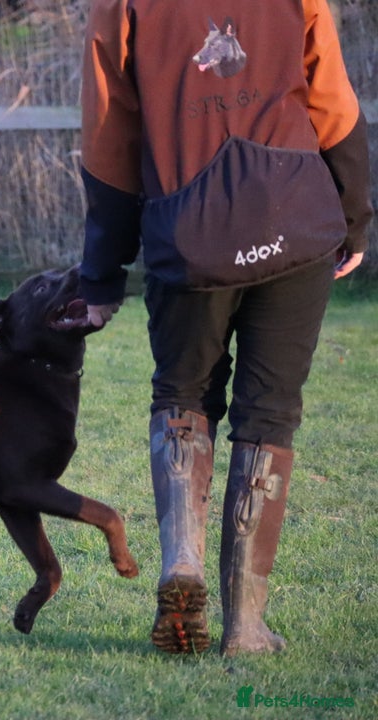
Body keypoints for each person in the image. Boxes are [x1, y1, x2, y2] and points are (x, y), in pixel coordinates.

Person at [78, 0, 373, 656]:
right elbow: (332, 101)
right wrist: (353, 214)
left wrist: (102, 275)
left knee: (183, 394)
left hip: (189, 232)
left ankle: (181, 557)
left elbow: (109, 137)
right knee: (270, 414)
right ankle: (245, 624)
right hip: (294, 217)